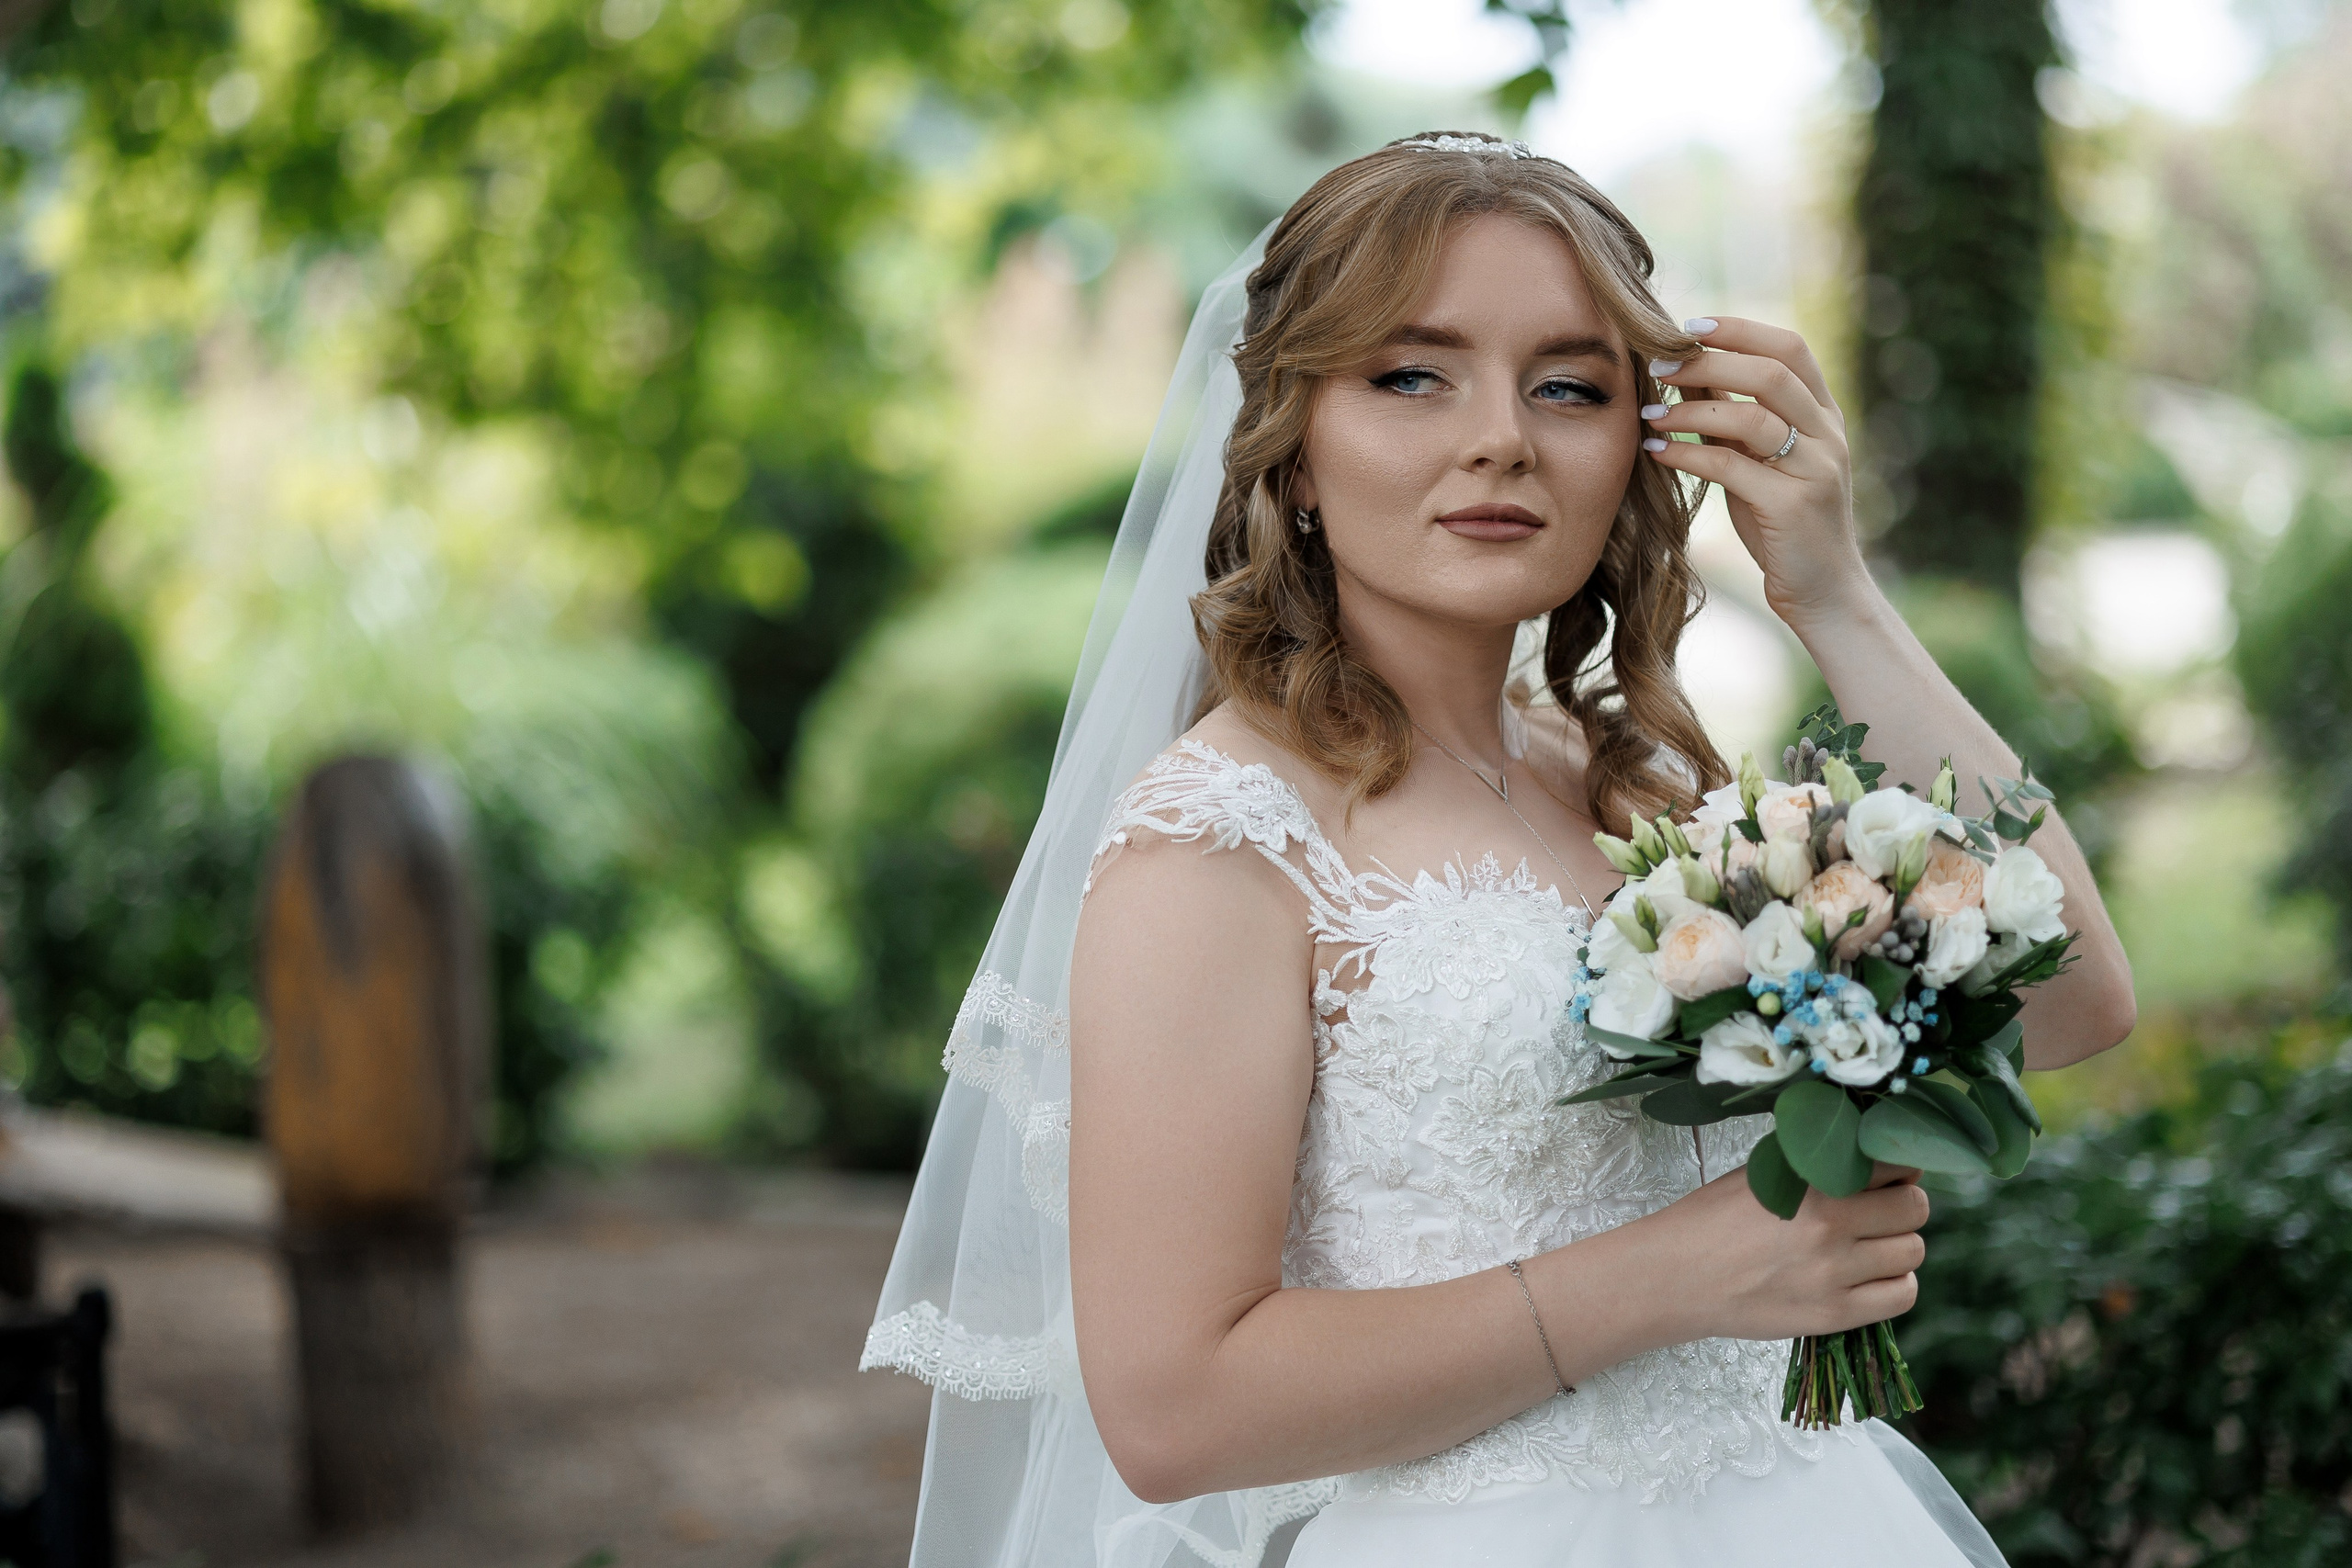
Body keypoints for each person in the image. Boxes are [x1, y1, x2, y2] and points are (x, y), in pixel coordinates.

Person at [863, 131, 2136, 1568]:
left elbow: (2072, 1001)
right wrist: (1674, 1275)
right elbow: (1172, 1410)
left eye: (1570, 386)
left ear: (1640, 444)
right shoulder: (1217, 844)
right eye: (1411, 375)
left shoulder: (1633, 777)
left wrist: (1832, 588)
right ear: (1292, 447)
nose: (1501, 439)